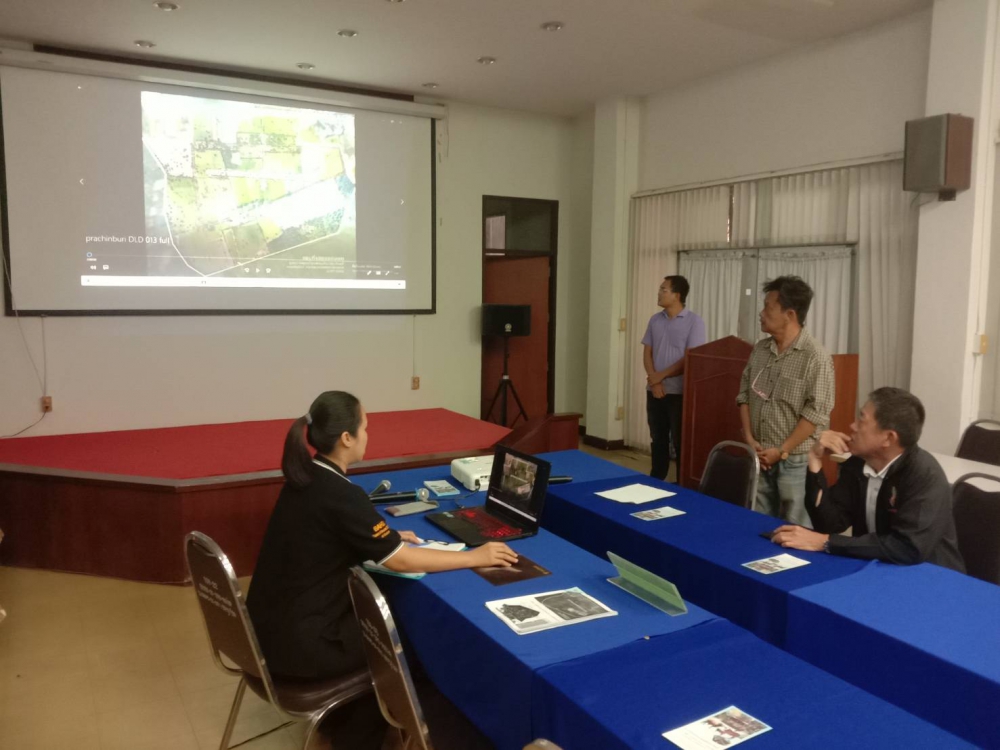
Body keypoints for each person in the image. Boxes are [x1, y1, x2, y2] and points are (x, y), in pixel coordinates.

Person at [247, 391, 517, 749]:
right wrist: (475, 556)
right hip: (303, 648)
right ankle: (372, 735)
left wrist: (384, 537)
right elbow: (401, 560)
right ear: (347, 438)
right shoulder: (342, 494)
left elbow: (332, 534)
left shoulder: (305, 477)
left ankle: (352, 722)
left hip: (263, 634)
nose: (368, 435)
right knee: (407, 636)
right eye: (365, 427)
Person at [769, 387, 965, 572]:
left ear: (888, 438)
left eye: (861, 420)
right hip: (875, 566)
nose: (852, 426)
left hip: (930, 576)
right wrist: (814, 459)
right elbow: (829, 524)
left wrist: (826, 542)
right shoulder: (858, 463)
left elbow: (907, 548)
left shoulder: (924, 475)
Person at [737, 275, 834, 527]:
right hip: (761, 455)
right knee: (757, 525)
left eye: (768, 307)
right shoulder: (760, 349)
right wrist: (750, 439)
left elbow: (816, 413)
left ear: (790, 314)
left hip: (795, 460)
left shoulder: (815, 357)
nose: (761, 313)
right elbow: (744, 395)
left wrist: (782, 450)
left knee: (794, 527)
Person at [641, 275, 707, 480]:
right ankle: (656, 479)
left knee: (680, 441)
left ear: (677, 295)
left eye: (664, 290)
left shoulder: (694, 322)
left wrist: (660, 376)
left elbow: (690, 358)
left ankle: (682, 482)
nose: (659, 293)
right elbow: (647, 352)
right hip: (654, 390)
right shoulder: (655, 320)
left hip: (678, 393)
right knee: (657, 438)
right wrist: (654, 381)